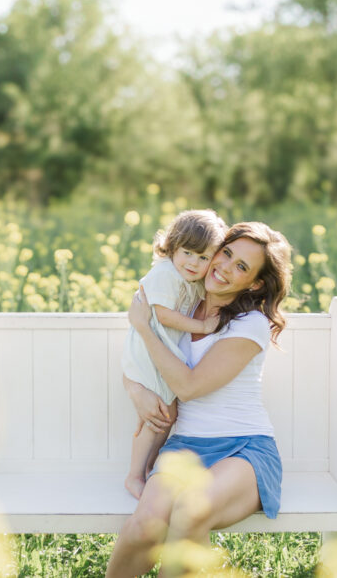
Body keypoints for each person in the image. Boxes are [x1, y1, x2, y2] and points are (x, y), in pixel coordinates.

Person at [107, 221, 293, 578]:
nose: (224, 267)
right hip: (184, 447)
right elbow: (139, 361)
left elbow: (190, 386)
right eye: (226, 254)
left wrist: (145, 329)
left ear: (254, 283)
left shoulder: (249, 324)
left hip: (244, 448)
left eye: (241, 267)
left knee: (191, 512)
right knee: (142, 527)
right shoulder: (183, 304)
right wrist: (136, 390)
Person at [122, 209, 227, 499]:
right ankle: (134, 475)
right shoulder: (166, 273)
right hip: (147, 353)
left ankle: (150, 467)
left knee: (167, 414)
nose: (194, 263)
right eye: (188, 253)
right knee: (156, 414)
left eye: (204, 258)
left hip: (161, 352)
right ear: (172, 247)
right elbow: (164, 315)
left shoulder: (187, 278)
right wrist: (202, 325)